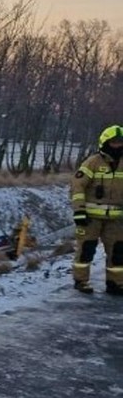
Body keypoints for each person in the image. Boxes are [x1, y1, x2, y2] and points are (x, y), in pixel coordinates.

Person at [71, 125, 123, 294]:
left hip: (116, 219)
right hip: (90, 218)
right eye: (114, 142)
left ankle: (115, 283)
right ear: (105, 143)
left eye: (120, 142)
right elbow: (77, 186)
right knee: (86, 249)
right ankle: (81, 281)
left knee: (118, 252)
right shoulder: (92, 162)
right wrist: (79, 211)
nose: (117, 146)